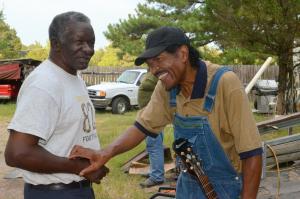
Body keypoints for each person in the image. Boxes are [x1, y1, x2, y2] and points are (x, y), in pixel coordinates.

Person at [69, 26, 263, 199]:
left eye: (158, 60)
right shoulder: (166, 87)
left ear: (183, 54)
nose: (154, 70)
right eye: (150, 65)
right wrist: (106, 153)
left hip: (226, 189)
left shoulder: (225, 83)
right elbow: (142, 126)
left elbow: (252, 153)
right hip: (188, 185)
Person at [4, 11, 108, 199]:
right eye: (80, 42)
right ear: (56, 44)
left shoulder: (73, 78)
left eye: (91, 42)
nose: (89, 49)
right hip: (54, 193)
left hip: (77, 190)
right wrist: (79, 167)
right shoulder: (44, 84)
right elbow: (17, 153)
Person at [138, 72, 165, 188]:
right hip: (150, 114)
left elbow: (147, 83)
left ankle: (157, 176)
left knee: (154, 146)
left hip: (153, 114)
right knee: (153, 145)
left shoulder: (158, 74)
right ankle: (155, 171)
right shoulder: (155, 73)